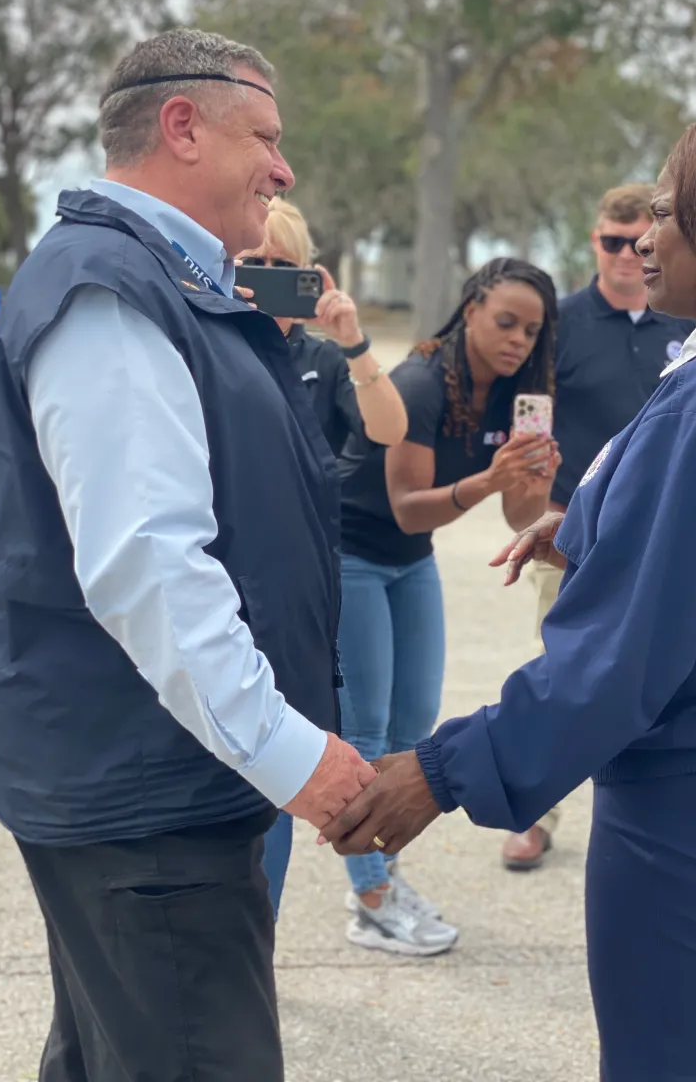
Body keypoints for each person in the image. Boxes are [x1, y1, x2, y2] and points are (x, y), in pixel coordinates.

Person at [322, 119, 696, 1081]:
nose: (644, 239)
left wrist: (443, 772)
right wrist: (593, 531)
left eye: (664, 213)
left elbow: (626, 655)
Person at [0, 27, 376, 1082]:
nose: (283, 168)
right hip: (147, 802)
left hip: (156, 781)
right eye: (266, 137)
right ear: (182, 126)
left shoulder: (189, 283)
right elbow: (151, 565)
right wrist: (297, 753)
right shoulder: (108, 289)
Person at [335, 257, 560, 955]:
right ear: (469, 311)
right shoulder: (421, 382)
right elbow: (405, 509)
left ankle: (380, 874)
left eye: (531, 329)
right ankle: (372, 899)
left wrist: (529, 478)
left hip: (410, 562)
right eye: (505, 322)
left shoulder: (516, 394)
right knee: (367, 731)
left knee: (411, 725)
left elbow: (516, 513)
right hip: (351, 553)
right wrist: (489, 479)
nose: (518, 338)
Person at [502, 183, 696, 871]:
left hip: (665, 532)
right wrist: (528, 501)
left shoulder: (690, 324)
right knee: (563, 675)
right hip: (573, 532)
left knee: (671, 675)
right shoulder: (559, 325)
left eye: (636, 241)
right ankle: (534, 815)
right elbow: (530, 417)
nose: (624, 254)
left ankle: (663, 817)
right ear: (595, 242)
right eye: (611, 241)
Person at [237, 198, 408, 918]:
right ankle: (259, 932)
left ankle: (366, 890)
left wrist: (352, 338)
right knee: (251, 761)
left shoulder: (318, 355)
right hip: (234, 580)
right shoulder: (210, 341)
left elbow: (389, 429)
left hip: (314, 580)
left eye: (286, 268)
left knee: (318, 739)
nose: (269, 279)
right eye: (256, 264)